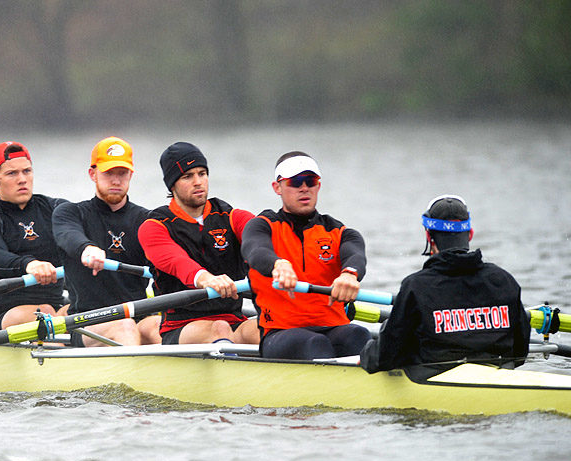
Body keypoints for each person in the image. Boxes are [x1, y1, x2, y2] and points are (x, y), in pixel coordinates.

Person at [360, 195, 530, 377]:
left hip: (435, 382)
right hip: (499, 376)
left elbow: (385, 357)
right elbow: (520, 351)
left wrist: (366, 354)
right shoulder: (504, 280)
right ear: (470, 234)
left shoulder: (416, 286)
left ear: (428, 236)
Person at [241, 151, 369, 360]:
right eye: (295, 181)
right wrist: (278, 265)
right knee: (313, 343)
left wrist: (349, 274)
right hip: (279, 332)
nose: (304, 188)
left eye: (310, 181)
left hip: (333, 327)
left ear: (318, 186)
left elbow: (355, 255)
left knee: (358, 335)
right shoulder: (261, 227)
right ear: (277, 188)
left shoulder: (340, 232)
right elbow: (255, 250)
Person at [138, 142, 259, 345]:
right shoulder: (154, 227)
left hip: (235, 321)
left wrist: (279, 263)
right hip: (181, 326)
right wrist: (206, 279)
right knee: (219, 328)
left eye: (202, 173)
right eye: (187, 176)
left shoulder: (231, 217)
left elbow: (262, 240)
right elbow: (178, 262)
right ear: (172, 185)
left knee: (266, 327)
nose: (198, 182)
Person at [52, 136, 160, 346]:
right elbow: (68, 234)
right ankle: (138, 378)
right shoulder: (70, 213)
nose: (116, 180)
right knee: (124, 326)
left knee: (159, 324)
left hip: (136, 317)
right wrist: (87, 249)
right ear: (93, 174)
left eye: (122, 173)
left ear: (131, 174)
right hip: (86, 322)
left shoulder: (147, 220)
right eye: (108, 173)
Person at [0, 141, 69, 331]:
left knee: (95, 312)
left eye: (27, 171)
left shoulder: (57, 209)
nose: (22, 179)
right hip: (6, 313)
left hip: (56, 306)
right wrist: (30, 264)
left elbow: (76, 239)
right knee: (45, 313)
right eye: (11, 173)